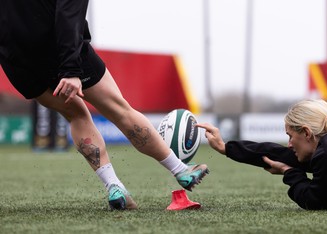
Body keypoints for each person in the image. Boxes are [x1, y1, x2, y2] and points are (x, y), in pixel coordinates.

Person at [0, 0, 208, 210]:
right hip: (56, 48)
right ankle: (181, 170)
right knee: (119, 110)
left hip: (17, 61)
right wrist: (71, 70)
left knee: (76, 115)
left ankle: (114, 187)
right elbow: (68, 14)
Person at [197, 99, 327, 211]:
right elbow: (276, 153)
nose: (289, 143)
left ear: (306, 132)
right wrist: (226, 148)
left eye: (290, 136)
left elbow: (315, 202)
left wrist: (289, 172)